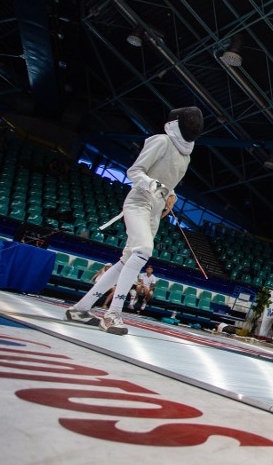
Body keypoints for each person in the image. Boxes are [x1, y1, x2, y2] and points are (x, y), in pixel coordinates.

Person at [63, 107, 203, 335]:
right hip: (139, 201)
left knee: (126, 260)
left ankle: (80, 308)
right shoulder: (161, 141)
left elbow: (170, 183)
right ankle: (112, 314)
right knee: (143, 251)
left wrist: (170, 195)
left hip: (155, 210)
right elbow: (134, 171)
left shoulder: (185, 156)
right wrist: (152, 184)